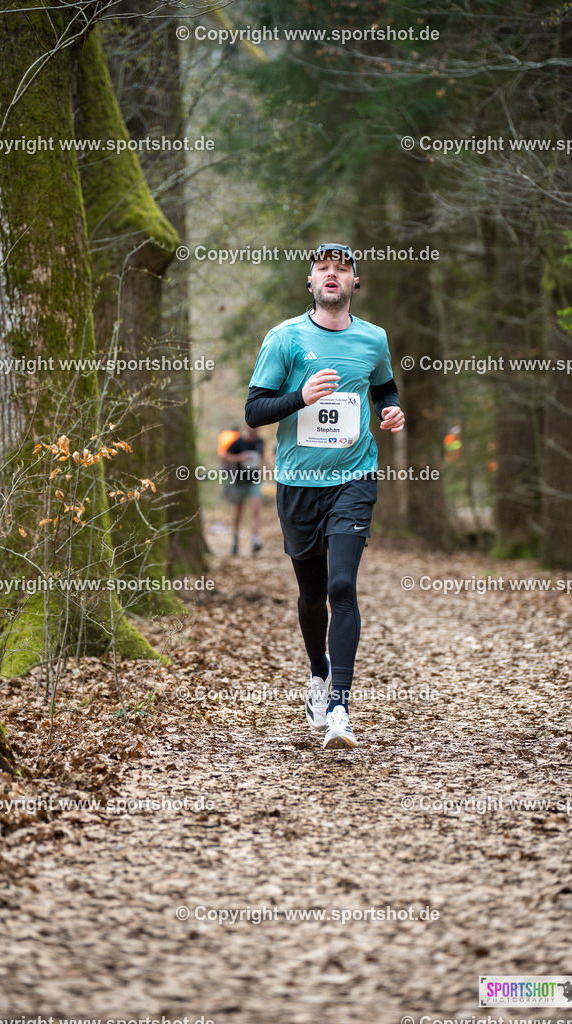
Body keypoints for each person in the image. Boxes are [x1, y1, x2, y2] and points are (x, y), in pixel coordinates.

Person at [244, 243, 404, 749]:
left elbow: (383, 388)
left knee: (341, 586)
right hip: (297, 485)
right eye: (322, 268)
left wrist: (391, 411)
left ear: (355, 283)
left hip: (354, 480)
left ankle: (340, 707)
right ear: (310, 283)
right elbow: (255, 411)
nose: (331, 275)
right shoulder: (285, 338)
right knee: (312, 596)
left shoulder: (373, 338)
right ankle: (318, 672)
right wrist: (302, 398)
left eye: (342, 269)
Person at [222, 424, 264, 555]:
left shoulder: (260, 442)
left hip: (254, 481)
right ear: (247, 428)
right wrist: (239, 458)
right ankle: (235, 540)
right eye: (252, 428)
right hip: (239, 482)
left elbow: (262, 459)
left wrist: (265, 471)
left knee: (256, 509)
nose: (254, 430)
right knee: (238, 512)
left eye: (256, 428)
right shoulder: (238, 443)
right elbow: (224, 456)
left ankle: (255, 541)